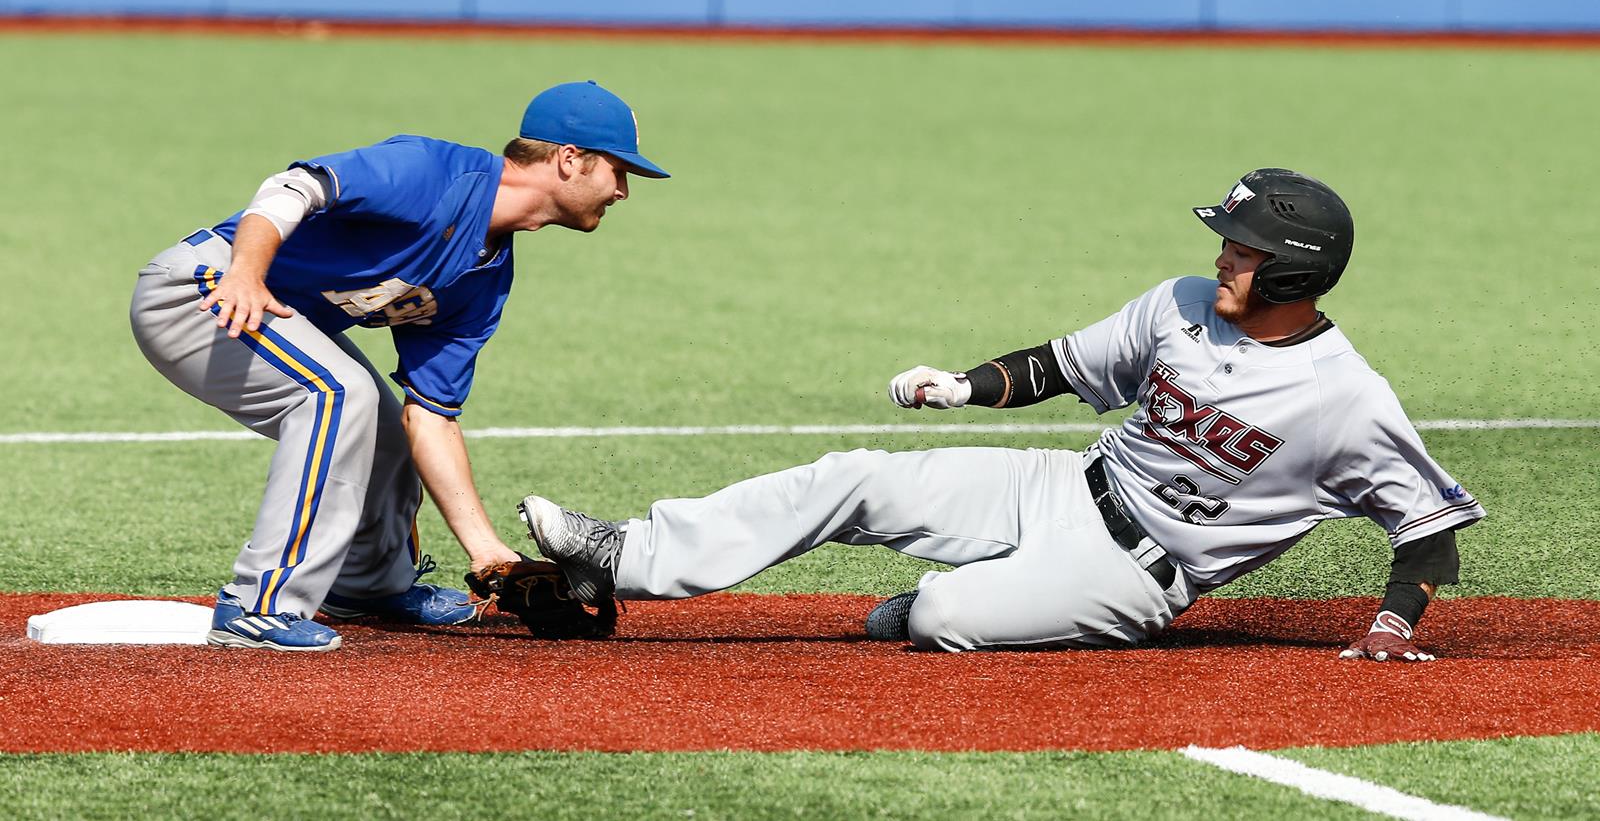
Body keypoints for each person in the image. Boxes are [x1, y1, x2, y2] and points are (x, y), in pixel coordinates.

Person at [517, 168, 1483, 660]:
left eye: (1242, 246)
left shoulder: (1346, 398)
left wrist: (1396, 625)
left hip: (1137, 574)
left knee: (942, 614)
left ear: (1294, 267)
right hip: (1066, 482)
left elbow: (1428, 528)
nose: (1224, 255)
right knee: (857, 474)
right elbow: (1062, 364)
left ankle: (951, 601)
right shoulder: (1183, 300)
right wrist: (960, 386)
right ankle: (627, 553)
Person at [130, 80, 668, 652]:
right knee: (338, 396)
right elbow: (292, 187)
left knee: (387, 428)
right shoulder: (434, 172)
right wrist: (246, 272)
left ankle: (366, 587)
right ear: (569, 160)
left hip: (271, 313)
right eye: (619, 170)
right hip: (203, 289)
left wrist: (491, 555)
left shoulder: (484, 280)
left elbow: (431, 420)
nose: (624, 191)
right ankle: (259, 603)